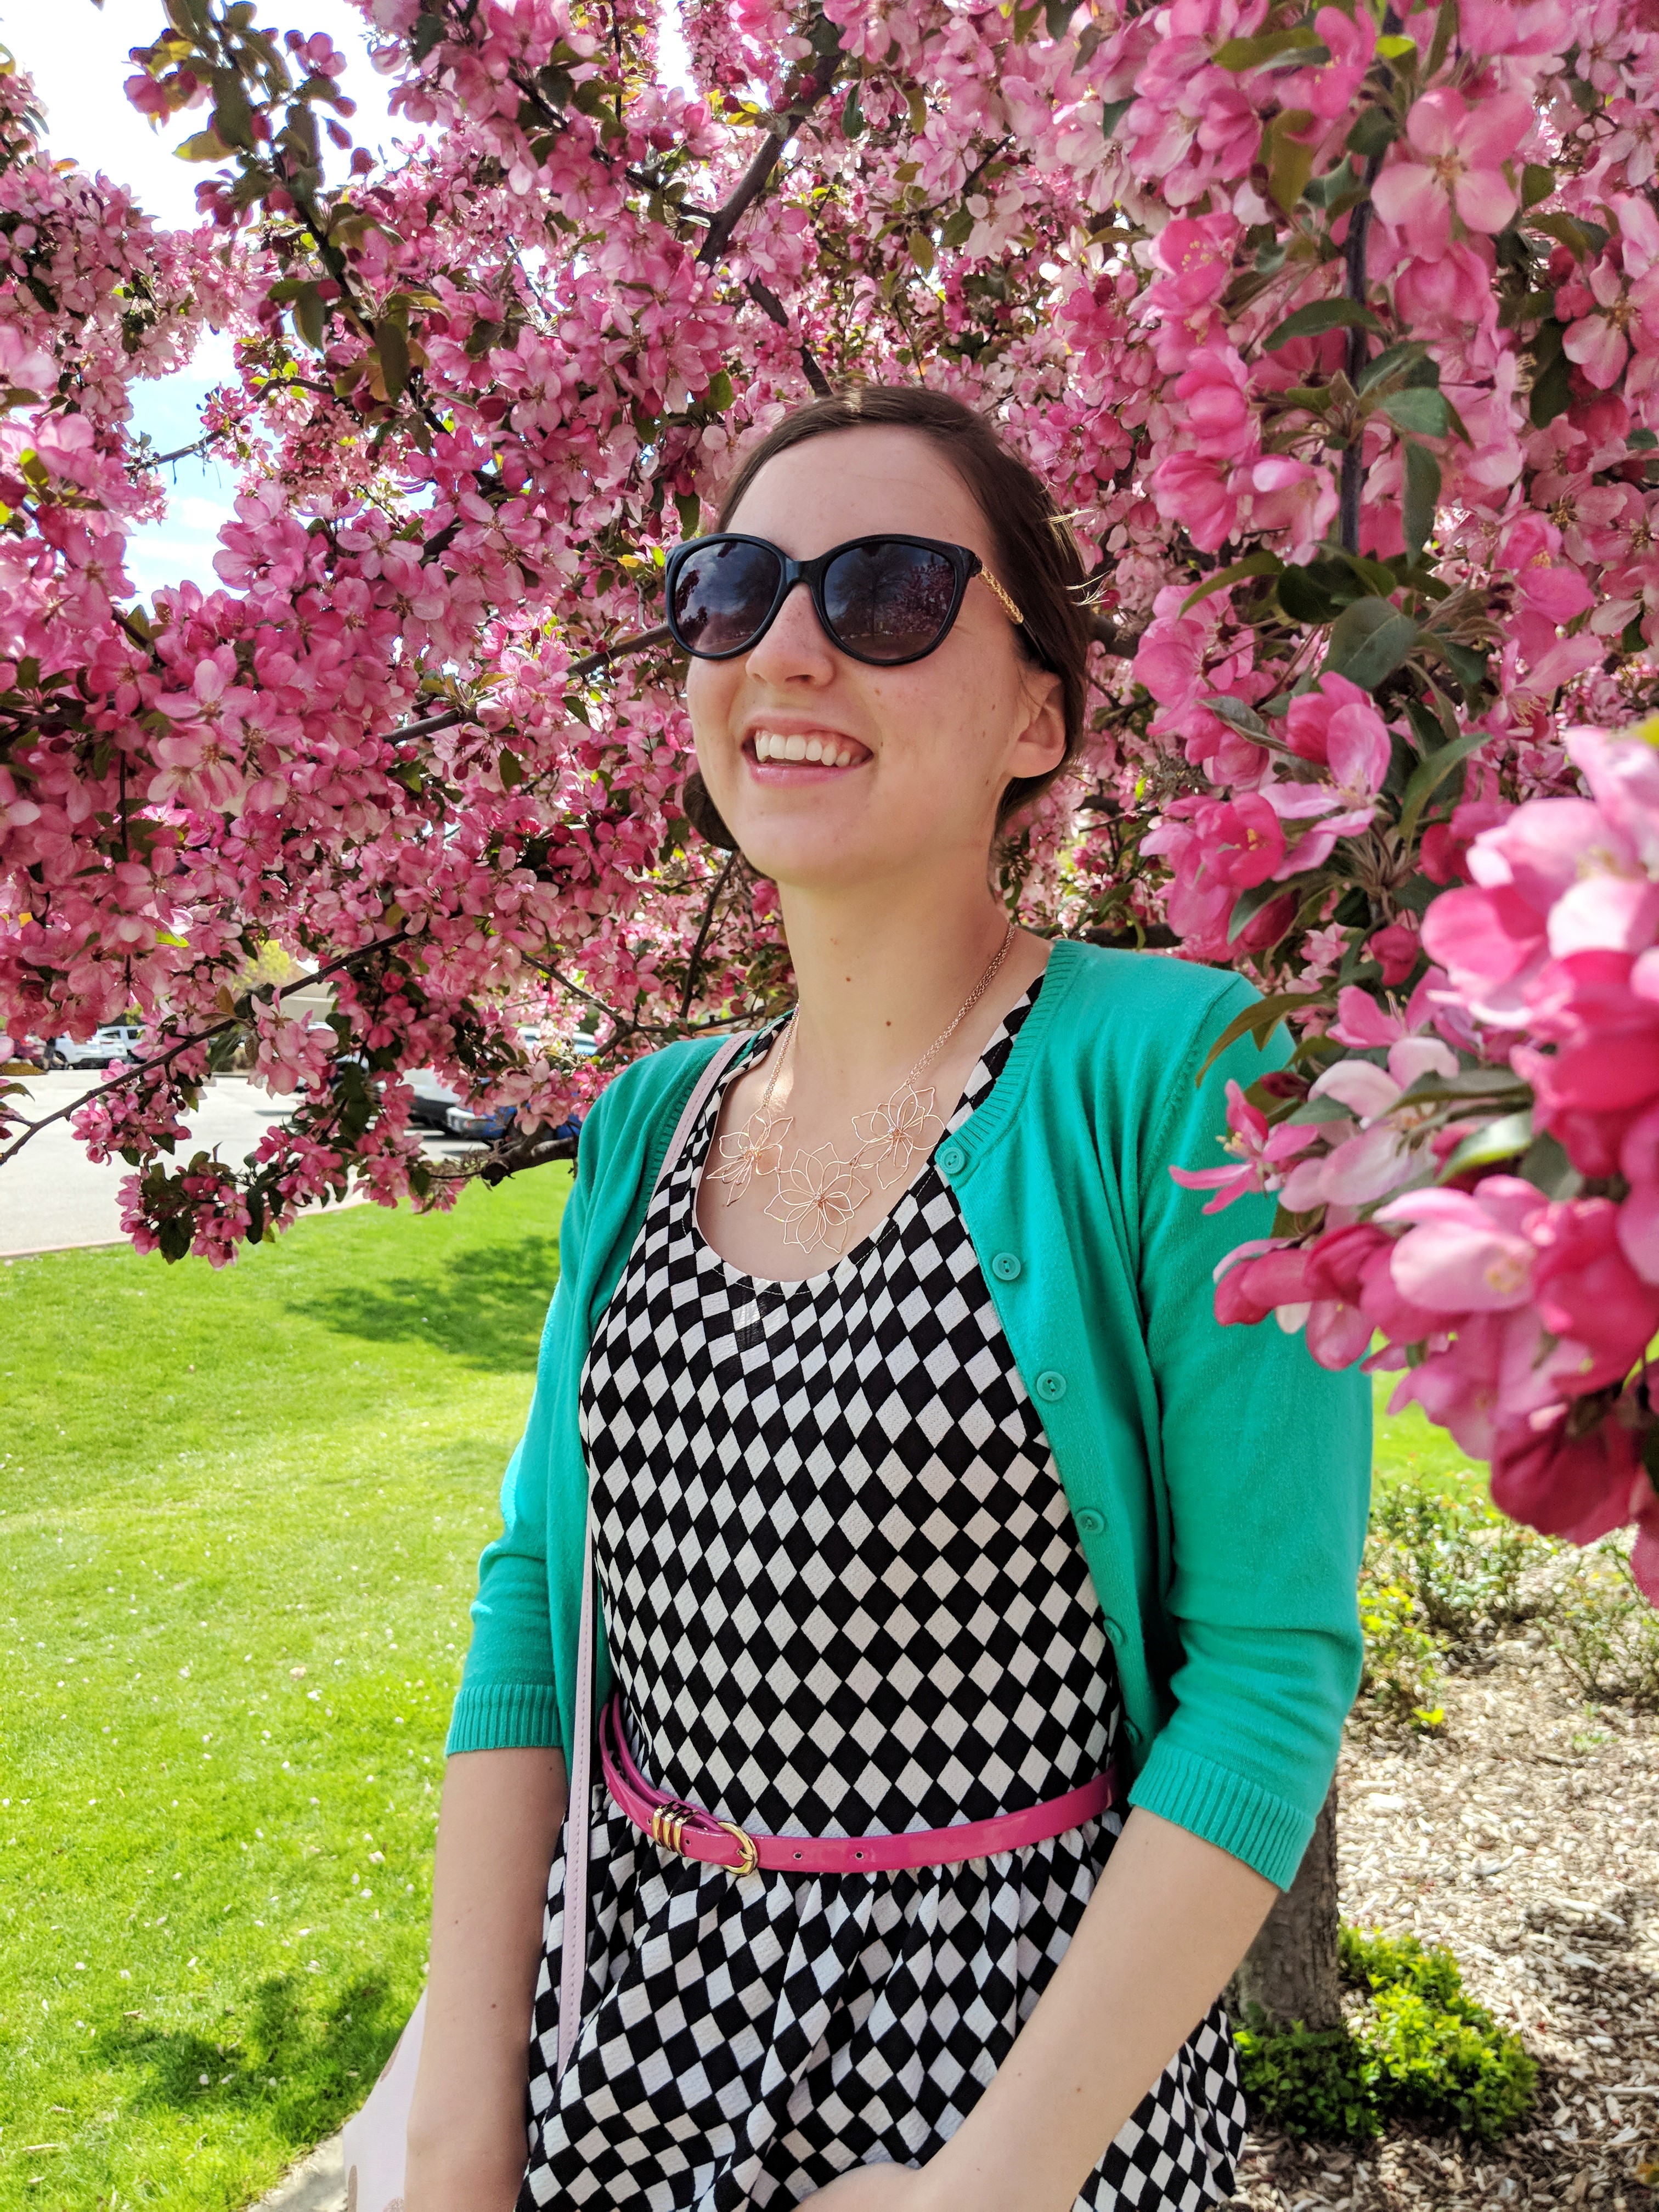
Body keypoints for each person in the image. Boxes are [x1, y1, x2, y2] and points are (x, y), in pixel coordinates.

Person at [405, 385, 1372, 2212]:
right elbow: (536, 1597)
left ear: (1039, 717)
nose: (788, 647)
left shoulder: (1189, 1070)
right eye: (732, 589)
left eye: (891, 592)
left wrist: (980, 2190)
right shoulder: (648, 1120)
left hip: (1010, 2088)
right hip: (626, 2038)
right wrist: (462, 2131)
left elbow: (1269, 1677)